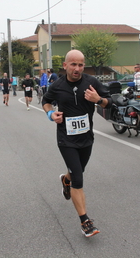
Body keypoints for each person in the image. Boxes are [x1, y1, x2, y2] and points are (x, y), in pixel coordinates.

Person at [42, 50, 112, 237]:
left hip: (86, 138)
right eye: (73, 64)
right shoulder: (57, 85)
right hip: (66, 138)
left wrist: (99, 100)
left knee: (77, 171)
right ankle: (85, 221)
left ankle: (66, 180)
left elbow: (109, 102)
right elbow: (46, 101)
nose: (77, 68)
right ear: (65, 66)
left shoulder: (92, 83)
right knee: (79, 178)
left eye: (81, 64)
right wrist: (50, 114)